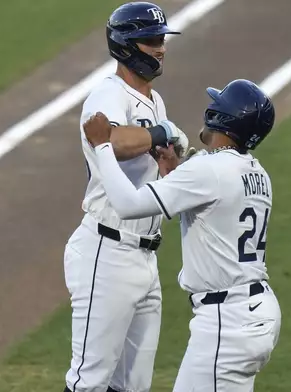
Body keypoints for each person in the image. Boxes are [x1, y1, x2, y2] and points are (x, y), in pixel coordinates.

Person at [83, 79, 282, 391]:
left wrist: (102, 147)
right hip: (258, 315)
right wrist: (175, 175)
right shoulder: (258, 174)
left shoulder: (208, 170)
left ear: (221, 118)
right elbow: (212, 216)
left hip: (225, 323)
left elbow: (128, 204)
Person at [63, 2, 190, 392]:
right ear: (126, 46)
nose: (160, 48)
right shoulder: (107, 95)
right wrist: (160, 133)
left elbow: (149, 167)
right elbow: (111, 140)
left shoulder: (154, 101)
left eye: (162, 39)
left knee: (132, 385)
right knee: (88, 382)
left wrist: (169, 162)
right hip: (107, 249)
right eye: (151, 40)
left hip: (144, 257)